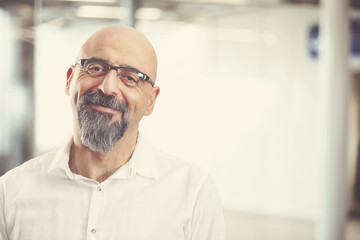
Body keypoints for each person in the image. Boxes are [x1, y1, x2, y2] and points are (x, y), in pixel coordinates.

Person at [0, 26, 226, 240]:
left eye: (130, 77)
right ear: (69, 79)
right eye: (96, 68)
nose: (107, 87)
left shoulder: (193, 192)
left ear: (151, 100)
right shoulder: (11, 191)